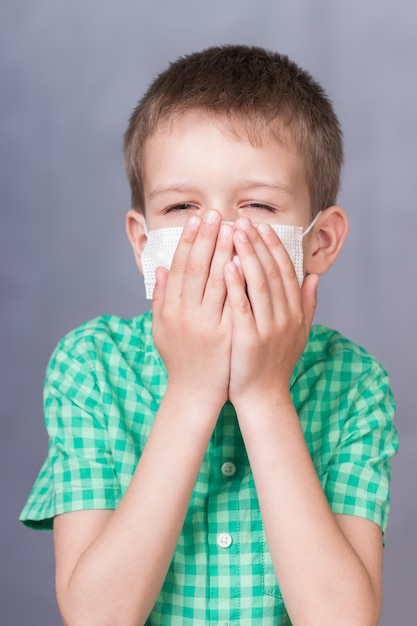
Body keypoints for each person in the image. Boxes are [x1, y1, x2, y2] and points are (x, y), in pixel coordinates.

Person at [20, 45, 398, 626]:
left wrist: (264, 394)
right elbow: (96, 616)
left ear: (319, 241)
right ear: (144, 244)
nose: (217, 234)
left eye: (258, 204)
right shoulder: (90, 367)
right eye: (182, 206)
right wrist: (193, 390)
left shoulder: (354, 383)